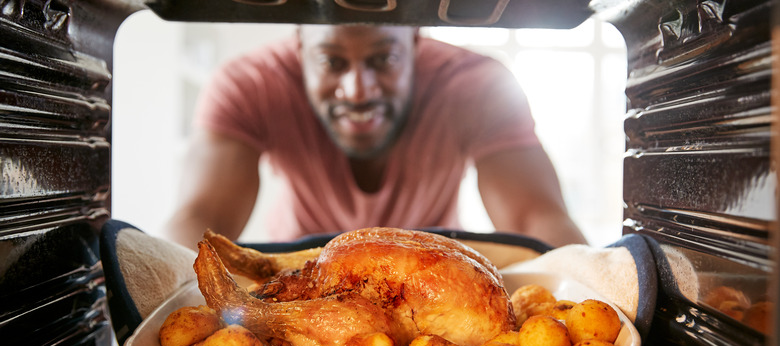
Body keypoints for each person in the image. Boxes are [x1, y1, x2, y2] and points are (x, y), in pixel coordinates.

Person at [162, 24, 587, 249]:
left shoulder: (478, 85)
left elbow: (535, 219)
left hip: (433, 284)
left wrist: (592, 296)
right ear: (299, 46)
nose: (358, 91)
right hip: (300, 281)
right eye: (332, 61)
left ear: (416, 41)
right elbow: (201, 217)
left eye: (384, 58)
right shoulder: (250, 83)